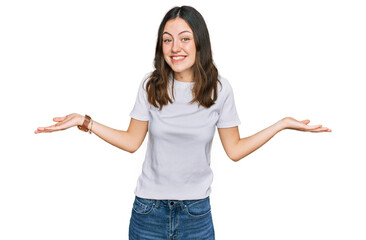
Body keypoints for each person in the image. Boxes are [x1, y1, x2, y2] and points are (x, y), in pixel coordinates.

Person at [35, 5, 331, 240]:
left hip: (196, 215)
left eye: (185, 38)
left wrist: (281, 124)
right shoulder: (151, 85)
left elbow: (235, 150)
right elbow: (131, 141)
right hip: (148, 212)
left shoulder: (219, 89)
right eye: (167, 39)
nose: (175, 47)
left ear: (199, 41)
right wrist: (85, 122)